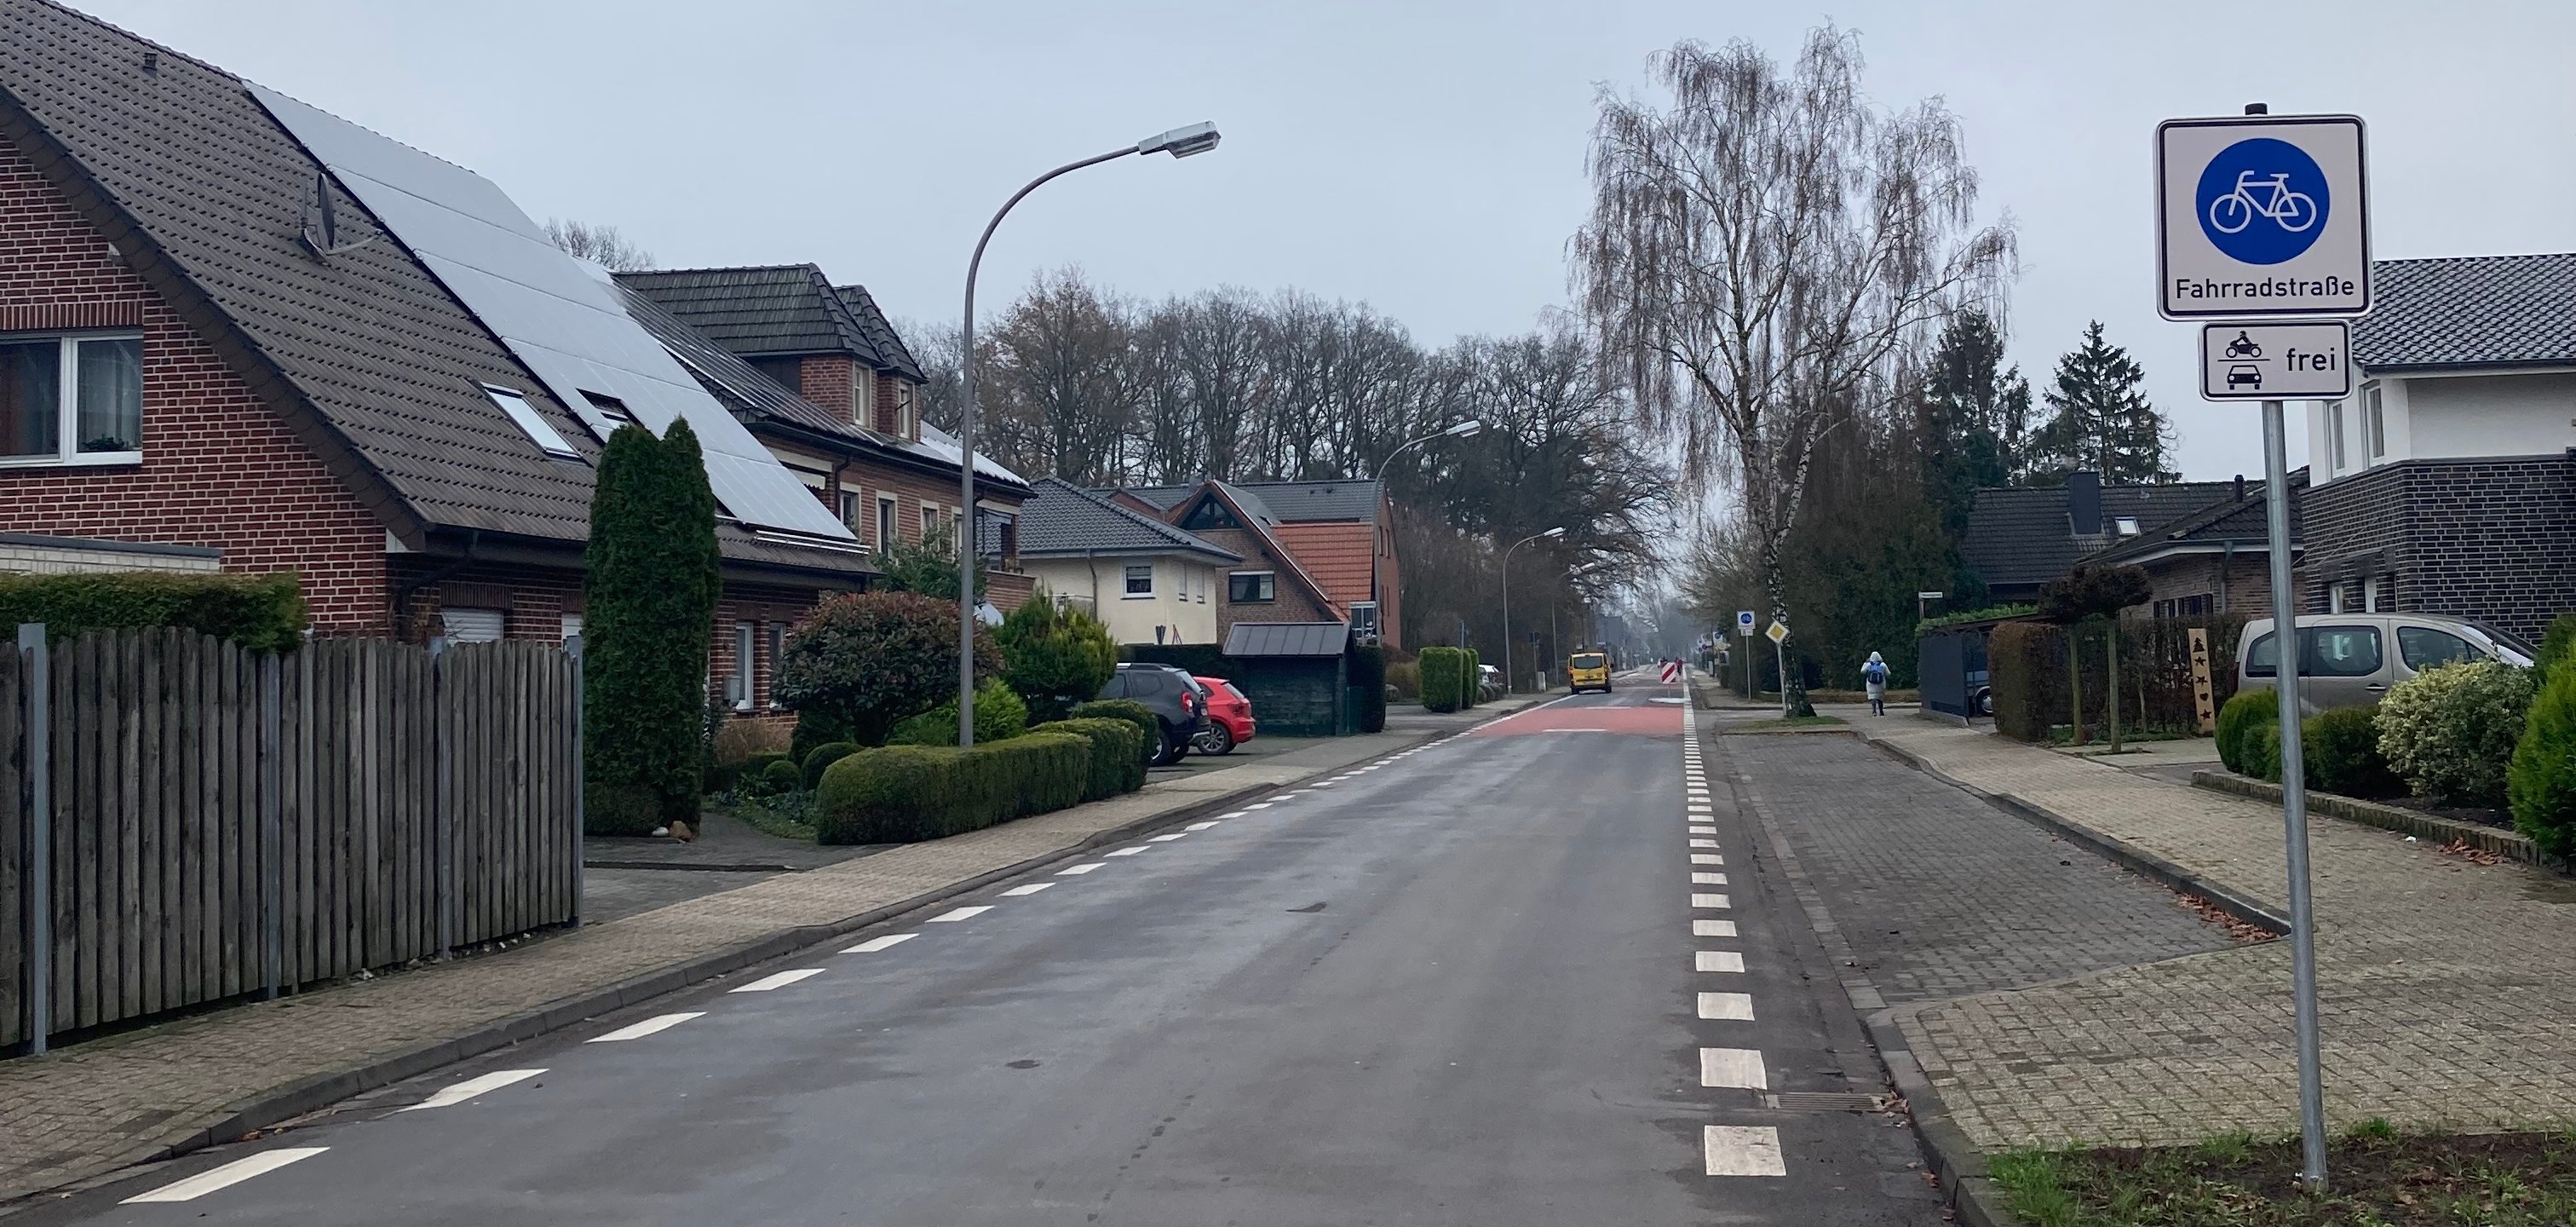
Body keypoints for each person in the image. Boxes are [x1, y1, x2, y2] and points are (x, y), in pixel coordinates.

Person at [1860, 651, 1890, 717]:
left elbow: (1862, 671)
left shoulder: (1869, 664)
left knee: (1872, 697)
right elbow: (1888, 674)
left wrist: (1865, 663)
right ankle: (1881, 711)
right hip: (1881, 683)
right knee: (1880, 697)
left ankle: (1874, 711)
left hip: (1870, 684)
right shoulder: (1883, 665)